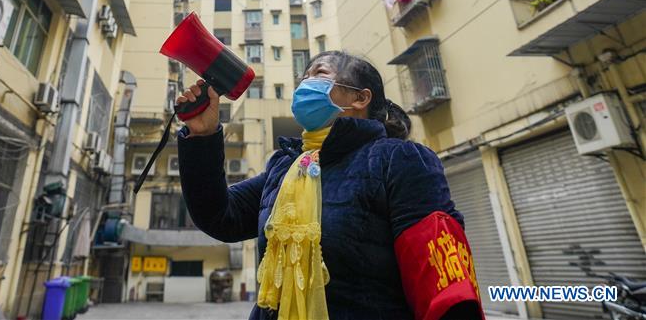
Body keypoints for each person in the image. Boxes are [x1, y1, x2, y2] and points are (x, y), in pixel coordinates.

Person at [176, 50, 484, 320]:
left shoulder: (398, 159)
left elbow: (444, 280)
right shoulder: (284, 165)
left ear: (360, 98)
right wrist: (203, 136)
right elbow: (220, 215)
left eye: (319, 75)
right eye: (304, 78)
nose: (304, 85)